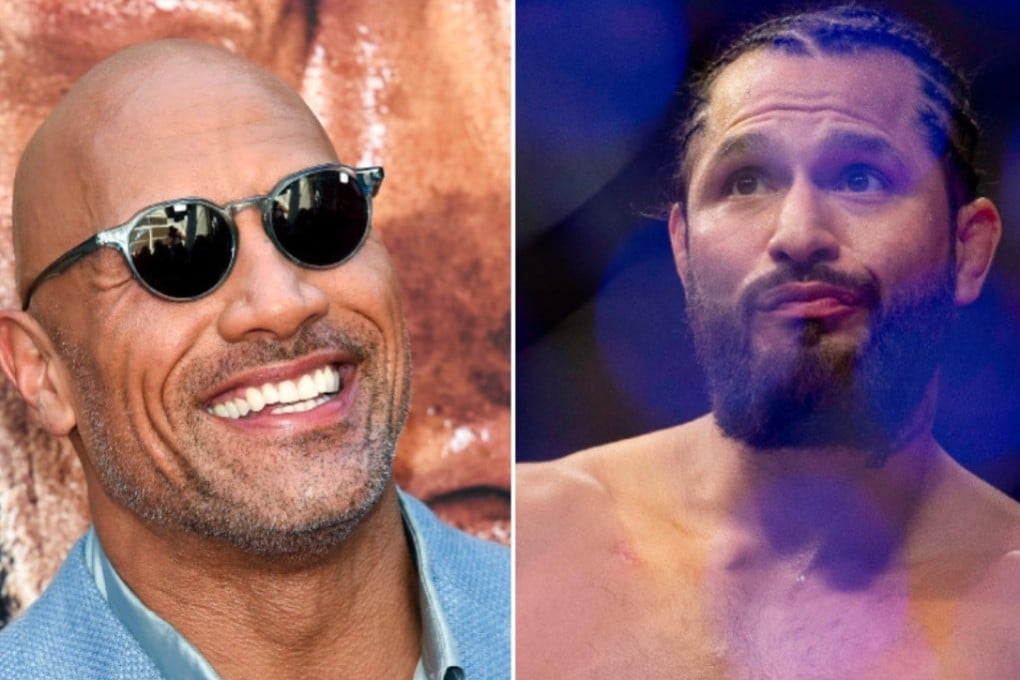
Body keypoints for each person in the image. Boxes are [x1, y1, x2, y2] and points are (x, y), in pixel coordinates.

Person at [517, 5, 1020, 678]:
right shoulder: (522, 542)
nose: (799, 232)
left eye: (861, 177)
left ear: (969, 251)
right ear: (684, 249)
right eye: (747, 181)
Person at [0, 39, 508, 678]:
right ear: (41, 372)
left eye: (318, 211)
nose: (281, 302)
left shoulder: (561, 627)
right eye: (176, 245)